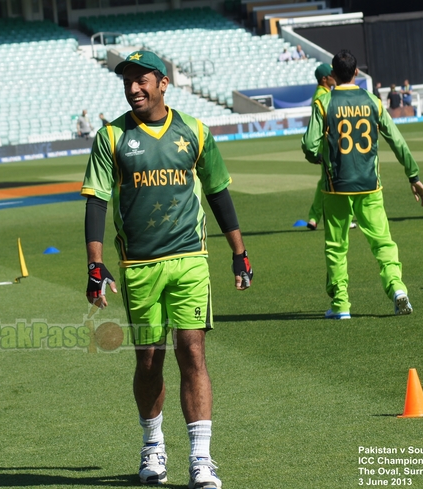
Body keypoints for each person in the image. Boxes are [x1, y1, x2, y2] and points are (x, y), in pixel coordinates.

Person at [81, 50, 253, 489]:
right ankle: (153, 443)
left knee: (192, 351)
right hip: (138, 266)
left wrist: (239, 253)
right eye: (127, 81)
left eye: (142, 80)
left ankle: (201, 458)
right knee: (149, 360)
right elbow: (97, 201)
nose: (134, 87)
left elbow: (218, 193)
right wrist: (96, 266)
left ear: (162, 83)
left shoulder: (195, 131)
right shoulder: (111, 137)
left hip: (190, 258)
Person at [301, 49, 423, 319]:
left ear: (333, 75)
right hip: (370, 185)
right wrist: (413, 176)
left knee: (337, 247)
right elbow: (396, 140)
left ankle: (341, 306)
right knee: (383, 243)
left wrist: (321, 159)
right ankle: (397, 289)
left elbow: (309, 145)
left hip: (336, 186)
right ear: (356, 73)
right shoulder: (372, 101)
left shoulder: (324, 103)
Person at [305, 63, 335, 231]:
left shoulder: (323, 93)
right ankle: (320, 216)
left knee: (324, 181)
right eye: (331, 74)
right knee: (332, 180)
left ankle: (314, 217)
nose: (334, 76)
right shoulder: (321, 96)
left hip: (326, 144)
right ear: (324, 79)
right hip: (328, 145)